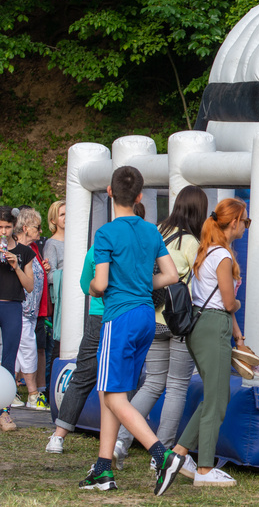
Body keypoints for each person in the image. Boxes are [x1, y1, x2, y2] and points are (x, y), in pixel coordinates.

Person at [80, 165, 184, 494]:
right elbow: (171, 276)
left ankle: (162, 456)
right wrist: (141, 283)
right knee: (114, 391)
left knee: (113, 395)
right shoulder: (152, 231)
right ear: (140, 196)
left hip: (120, 316)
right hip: (145, 317)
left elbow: (100, 282)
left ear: (110, 192)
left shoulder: (106, 233)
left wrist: (96, 291)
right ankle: (103, 468)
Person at [113, 185, 208, 469]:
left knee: (152, 382)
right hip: (179, 321)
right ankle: (162, 453)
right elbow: (200, 284)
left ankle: (120, 440)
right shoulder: (192, 242)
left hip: (151, 317)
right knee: (177, 386)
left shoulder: (154, 233)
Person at [171, 198, 250, 487]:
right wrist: (239, 304)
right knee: (217, 399)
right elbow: (228, 302)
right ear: (234, 222)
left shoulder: (207, 252)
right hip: (214, 324)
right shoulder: (224, 257)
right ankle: (204, 468)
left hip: (203, 323)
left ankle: (179, 453)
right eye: (245, 221)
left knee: (216, 396)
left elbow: (218, 301)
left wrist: (238, 336)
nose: (245, 226)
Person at [46, 227, 107, 451]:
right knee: (115, 380)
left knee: (82, 376)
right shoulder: (139, 244)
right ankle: (117, 440)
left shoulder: (97, 247)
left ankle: (58, 436)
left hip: (98, 315)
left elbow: (85, 286)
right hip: (125, 316)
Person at [0, 206, 35, 432]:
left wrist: (16, 265)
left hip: (12, 307)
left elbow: (30, 286)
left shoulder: (24, 252)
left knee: (9, 359)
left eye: (6, 227)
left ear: (14, 227)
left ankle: (4, 413)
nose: (3, 231)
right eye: (0, 227)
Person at [12, 208, 48, 410]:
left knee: (22, 350)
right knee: (27, 349)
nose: (41, 231)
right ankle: (32, 393)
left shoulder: (33, 248)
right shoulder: (15, 249)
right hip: (20, 309)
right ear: (25, 228)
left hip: (32, 311)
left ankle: (13, 390)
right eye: (37, 227)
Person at [43, 199, 65, 395]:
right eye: (62, 214)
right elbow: (49, 275)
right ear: (54, 219)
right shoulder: (52, 244)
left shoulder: (76, 239)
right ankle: (51, 390)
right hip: (61, 300)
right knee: (56, 347)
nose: (66, 218)